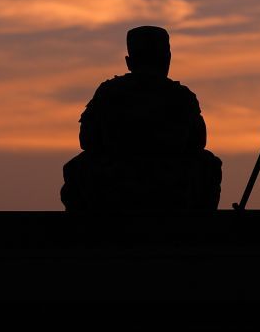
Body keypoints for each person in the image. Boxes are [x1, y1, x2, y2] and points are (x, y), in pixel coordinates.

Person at [61, 25, 222, 212]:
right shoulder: (180, 96)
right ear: (167, 59)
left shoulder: (108, 93)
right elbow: (198, 141)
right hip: (171, 189)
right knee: (208, 163)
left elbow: (87, 140)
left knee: (78, 166)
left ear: (129, 62)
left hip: (113, 188)